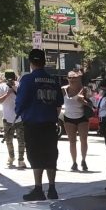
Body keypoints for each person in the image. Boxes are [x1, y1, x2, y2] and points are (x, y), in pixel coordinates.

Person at [15, 48, 64, 201]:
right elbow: (59, 102)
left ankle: (38, 188)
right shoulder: (53, 80)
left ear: (31, 62)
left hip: (33, 123)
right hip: (49, 123)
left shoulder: (27, 80)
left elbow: (21, 102)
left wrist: (19, 113)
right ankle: (52, 188)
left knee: (35, 155)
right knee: (50, 155)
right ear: (44, 62)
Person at [61, 70, 91, 172]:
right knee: (72, 141)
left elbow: (93, 105)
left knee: (84, 140)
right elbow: (57, 103)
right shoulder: (63, 90)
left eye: (74, 78)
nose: (72, 80)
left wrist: (84, 101)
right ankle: (74, 162)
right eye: (70, 78)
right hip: (68, 118)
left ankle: (83, 160)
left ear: (79, 79)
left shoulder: (85, 90)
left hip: (82, 118)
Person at [0, 70, 24, 169]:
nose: (11, 81)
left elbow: (24, 98)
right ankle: (11, 157)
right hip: (7, 118)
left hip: (19, 117)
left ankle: (21, 159)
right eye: (9, 78)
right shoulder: (2, 86)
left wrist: (15, 89)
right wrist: (7, 93)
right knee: (8, 140)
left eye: (12, 78)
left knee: (21, 140)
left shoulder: (19, 85)